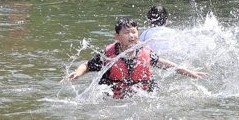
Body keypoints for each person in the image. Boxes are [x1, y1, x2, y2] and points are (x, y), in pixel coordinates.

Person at [65, 18, 207, 98]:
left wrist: (190, 72)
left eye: (134, 32)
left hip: (141, 93)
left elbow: (166, 64)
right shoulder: (109, 55)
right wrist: (78, 72)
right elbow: (88, 65)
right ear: (117, 36)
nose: (131, 36)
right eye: (127, 32)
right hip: (113, 95)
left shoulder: (143, 51)